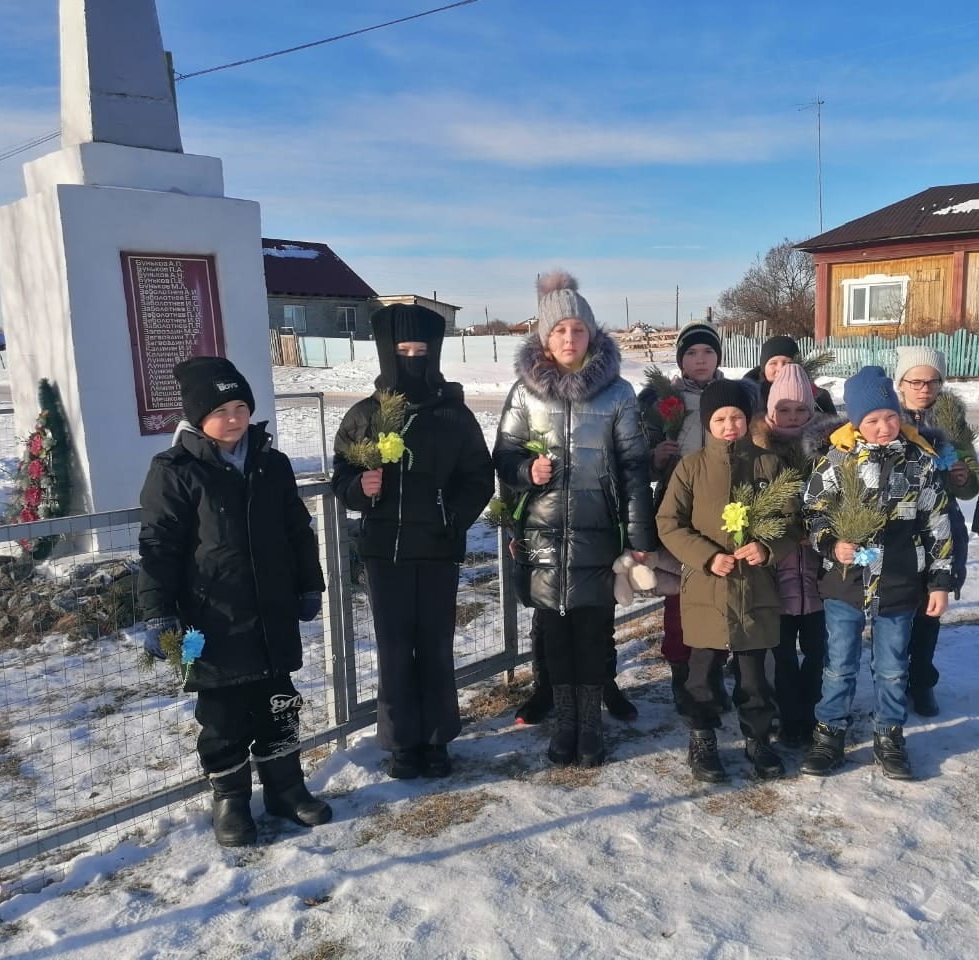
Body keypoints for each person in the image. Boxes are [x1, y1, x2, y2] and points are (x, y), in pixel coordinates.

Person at [138, 356, 331, 847]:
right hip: (212, 618)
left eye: (241, 406)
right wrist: (158, 610)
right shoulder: (175, 471)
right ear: (198, 417)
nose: (234, 418)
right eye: (221, 409)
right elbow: (158, 544)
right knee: (221, 718)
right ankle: (231, 801)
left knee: (278, 706)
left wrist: (310, 584)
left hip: (270, 612)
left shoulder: (272, 463)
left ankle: (286, 789)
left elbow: (296, 530)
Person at [494, 271, 655, 766]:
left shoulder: (618, 393)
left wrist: (638, 534)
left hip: (598, 534)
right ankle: (564, 724)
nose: (569, 338)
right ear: (545, 337)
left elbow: (633, 466)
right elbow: (503, 455)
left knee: (592, 630)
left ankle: (590, 727)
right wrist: (527, 469)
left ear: (592, 335)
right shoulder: (525, 393)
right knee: (554, 632)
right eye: (559, 330)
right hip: (541, 534)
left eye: (578, 329)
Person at [331, 304, 493, 780]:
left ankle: (438, 738)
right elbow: (343, 470)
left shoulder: (453, 414)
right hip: (386, 552)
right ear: (387, 354)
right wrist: (361, 489)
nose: (413, 359)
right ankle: (403, 741)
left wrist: (454, 517)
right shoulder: (364, 415)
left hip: (439, 549)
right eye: (403, 351)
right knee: (395, 648)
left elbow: (479, 475)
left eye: (421, 351)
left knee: (437, 645)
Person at [800, 366, 953, 780]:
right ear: (857, 423)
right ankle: (829, 733)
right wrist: (832, 544)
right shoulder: (836, 462)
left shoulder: (919, 462)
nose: (883, 427)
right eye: (872, 420)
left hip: (900, 584)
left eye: (889, 416)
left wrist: (939, 582)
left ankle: (890, 735)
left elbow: (937, 524)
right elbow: (812, 513)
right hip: (845, 584)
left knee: (892, 666)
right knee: (839, 663)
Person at [657, 380, 800, 782]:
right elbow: (669, 524)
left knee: (754, 678)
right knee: (700, 674)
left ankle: (758, 739)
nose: (729, 424)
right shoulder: (691, 467)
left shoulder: (770, 465)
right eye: (719, 418)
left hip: (755, 591)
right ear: (707, 423)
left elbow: (793, 523)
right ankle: (702, 738)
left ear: (748, 418)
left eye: (736, 416)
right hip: (707, 590)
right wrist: (706, 556)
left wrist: (767, 548)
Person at [638, 321, 733, 715]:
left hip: (723, 514)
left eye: (707, 352)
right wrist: (655, 458)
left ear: (718, 358)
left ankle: (711, 673)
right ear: (681, 359)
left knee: (719, 600)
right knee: (679, 599)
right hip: (677, 512)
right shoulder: (662, 402)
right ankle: (682, 674)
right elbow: (636, 461)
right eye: (691, 353)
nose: (700, 360)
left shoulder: (733, 397)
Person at [893, 345, 976, 717]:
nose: (925, 388)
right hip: (900, 528)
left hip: (942, 528)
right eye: (916, 381)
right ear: (901, 382)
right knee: (898, 609)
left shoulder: (951, 422)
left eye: (933, 381)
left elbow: (969, 485)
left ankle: (922, 680)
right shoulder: (887, 419)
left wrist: (963, 477)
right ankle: (892, 679)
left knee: (930, 607)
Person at [750, 362, 827, 747]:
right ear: (770, 412)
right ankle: (789, 714)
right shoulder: (757, 457)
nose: (793, 417)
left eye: (801, 410)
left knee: (816, 652)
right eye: (785, 409)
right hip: (775, 580)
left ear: (812, 411)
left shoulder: (827, 455)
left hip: (819, 577)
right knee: (780, 655)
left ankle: (812, 710)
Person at [744, 334, 836, 415]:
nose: (780, 369)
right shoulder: (749, 398)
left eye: (787, 363)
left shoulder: (818, 396)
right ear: (764, 368)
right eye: (773, 363)